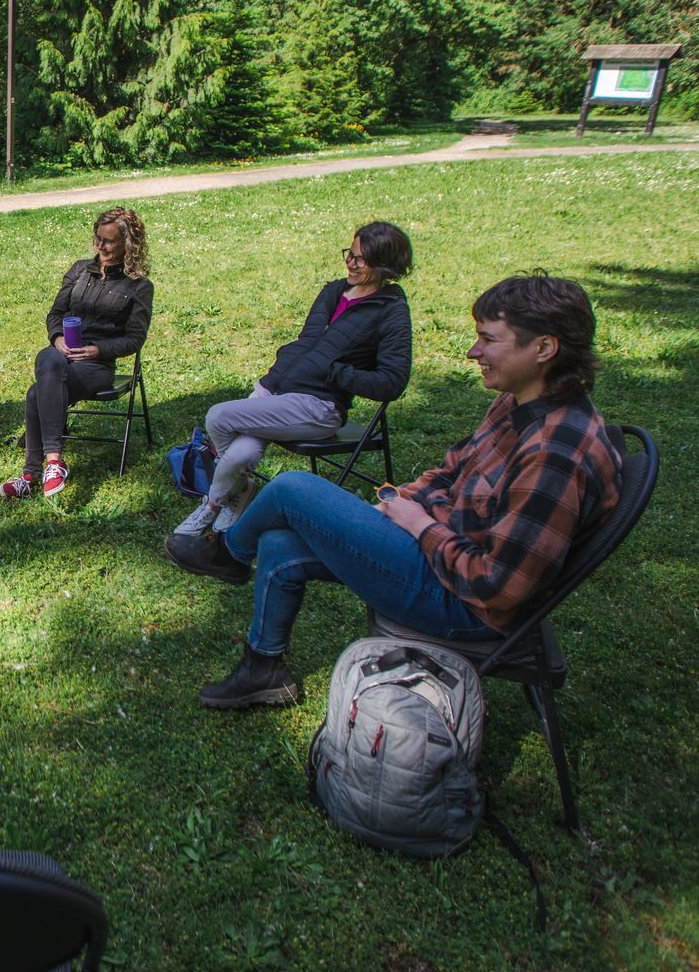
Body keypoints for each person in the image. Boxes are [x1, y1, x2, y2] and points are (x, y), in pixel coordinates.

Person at [167, 273, 623, 710]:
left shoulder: (555, 453)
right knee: (281, 542)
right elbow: (452, 468)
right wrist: (401, 503)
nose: (472, 351)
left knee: (291, 487)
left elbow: (496, 588)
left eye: (488, 339)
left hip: (464, 607)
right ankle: (263, 669)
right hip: (441, 550)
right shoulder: (518, 403)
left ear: (544, 348)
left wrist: (419, 524)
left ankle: (228, 551)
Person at [168, 221, 413, 539]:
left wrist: (336, 372)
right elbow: (309, 341)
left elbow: (393, 382)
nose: (350, 264)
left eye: (360, 259)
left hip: (317, 405)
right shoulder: (334, 291)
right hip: (276, 388)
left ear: (384, 266)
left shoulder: (391, 310)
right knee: (240, 456)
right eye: (349, 255)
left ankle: (213, 505)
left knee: (219, 415)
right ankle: (240, 492)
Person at [0, 206, 154, 498]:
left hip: (96, 367)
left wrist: (98, 349)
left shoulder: (139, 286)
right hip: (60, 356)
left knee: (36, 393)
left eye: (109, 241)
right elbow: (55, 313)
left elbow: (135, 339)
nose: (101, 246)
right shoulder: (79, 270)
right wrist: (57, 337)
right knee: (48, 358)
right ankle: (52, 463)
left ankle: (32, 473)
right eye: (98, 238)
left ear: (128, 244)